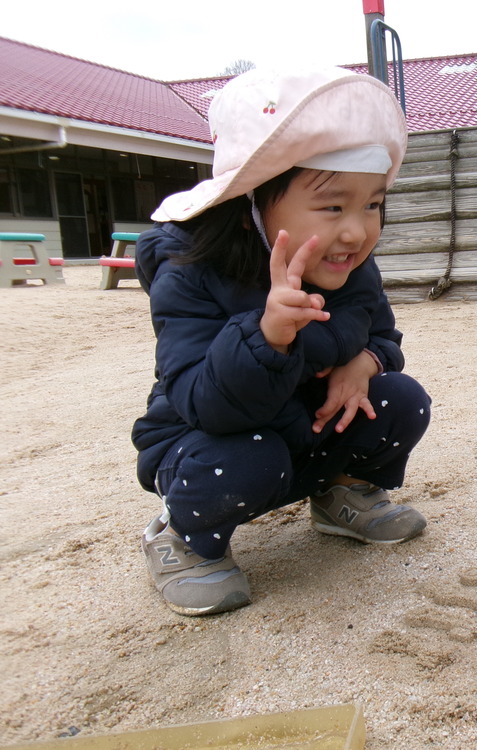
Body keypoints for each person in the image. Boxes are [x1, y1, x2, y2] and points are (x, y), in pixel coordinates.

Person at [133, 67, 431, 616]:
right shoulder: (190, 276)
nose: (357, 231)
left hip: (307, 434)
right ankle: (181, 539)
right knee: (248, 459)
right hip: (212, 442)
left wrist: (365, 361)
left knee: (400, 398)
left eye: (373, 204)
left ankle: (340, 491)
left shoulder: (349, 266)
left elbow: (385, 335)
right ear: (251, 204)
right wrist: (266, 336)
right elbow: (203, 403)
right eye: (334, 205)